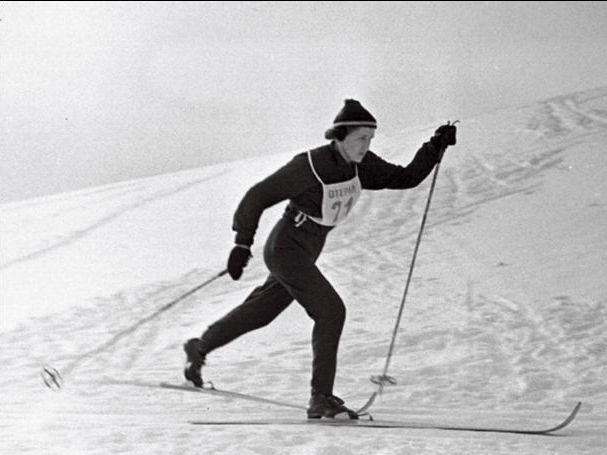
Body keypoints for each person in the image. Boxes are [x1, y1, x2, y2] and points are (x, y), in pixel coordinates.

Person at [182, 99, 457, 419]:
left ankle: (198, 349)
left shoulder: (361, 165)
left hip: (307, 250)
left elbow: (406, 177)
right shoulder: (310, 165)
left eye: (370, 139)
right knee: (331, 311)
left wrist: (435, 146)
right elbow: (257, 196)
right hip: (285, 247)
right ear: (340, 136)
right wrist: (242, 245)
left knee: (260, 312)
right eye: (360, 139)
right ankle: (321, 398)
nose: (366, 146)